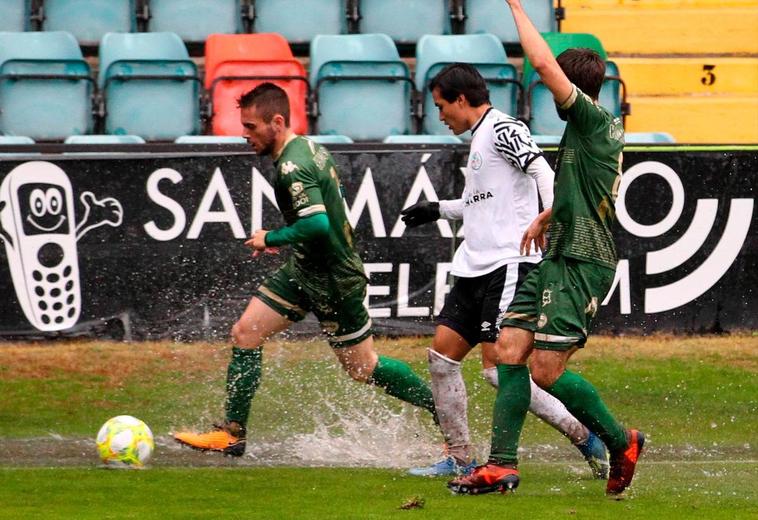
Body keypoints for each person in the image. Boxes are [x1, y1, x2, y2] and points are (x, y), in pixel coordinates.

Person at [173, 83, 437, 456]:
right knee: (246, 332)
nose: (244, 135)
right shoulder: (307, 147)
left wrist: (272, 238)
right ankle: (232, 433)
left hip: (333, 278)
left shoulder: (293, 167)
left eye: (251, 127)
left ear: (276, 122)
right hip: (305, 268)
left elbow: (318, 226)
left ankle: (442, 408)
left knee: (362, 368)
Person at [448, 0, 644, 496]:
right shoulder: (591, 132)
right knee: (508, 352)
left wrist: (516, 7)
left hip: (582, 260)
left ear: (572, 89)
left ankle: (622, 442)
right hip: (557, 254)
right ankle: (501, 466)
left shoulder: (594, 122)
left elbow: (540, 63)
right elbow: (587, 188)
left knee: (547, 371)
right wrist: (547, 215)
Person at [401, 63, 608, 479]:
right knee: (442, 357)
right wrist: (437, 209)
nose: (440, 115)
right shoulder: (481, 138)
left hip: (509, 263)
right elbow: (480, 202)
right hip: (475, 265)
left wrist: (550, 218)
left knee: (500, 370)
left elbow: (542, 170)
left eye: (442, 105)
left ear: (462, 99)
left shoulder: (502, 128)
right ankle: (460, 457)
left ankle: (584, 434)